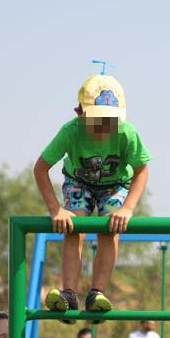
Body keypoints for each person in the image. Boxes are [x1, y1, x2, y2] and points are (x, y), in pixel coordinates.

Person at [34, 73, 152, 322]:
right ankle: (69, 293)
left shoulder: (127, 133)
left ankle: (97, 294)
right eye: (97, 120)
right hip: (79, 182)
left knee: (111, 227)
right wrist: (56, 208)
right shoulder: (70, 132)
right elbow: (41, 168)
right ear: (79, 113)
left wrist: (128, 208)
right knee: (73, 225)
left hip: (116, 184)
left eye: (110, 121)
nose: (104, 128)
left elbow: (142, 170)